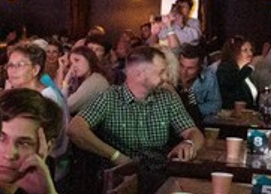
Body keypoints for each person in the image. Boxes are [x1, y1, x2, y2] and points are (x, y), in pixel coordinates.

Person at [67, 45, 203, 163]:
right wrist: (115, 156)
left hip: (159, 171)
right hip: (121, 177)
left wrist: (189, 143)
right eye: (161, 72)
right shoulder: (111, 97)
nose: (166, 78)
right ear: (140, 74)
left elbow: (193, 132)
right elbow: (75, 129)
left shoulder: (166, 97)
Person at [58, 44, 109, 116]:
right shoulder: (86, 79)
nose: (74, 66)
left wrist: (66, 80)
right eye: (71, 63)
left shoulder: (95, 81)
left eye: (77, 60)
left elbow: (64, 107)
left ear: (88, 59)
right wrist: (65, 74)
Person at [216, 36, 259, 110]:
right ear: (234, 52)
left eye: (251, 50)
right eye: (245, 50)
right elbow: (234, 82)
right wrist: (250, 67)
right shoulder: (225, 69)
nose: (250, 53)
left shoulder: (245, 71)